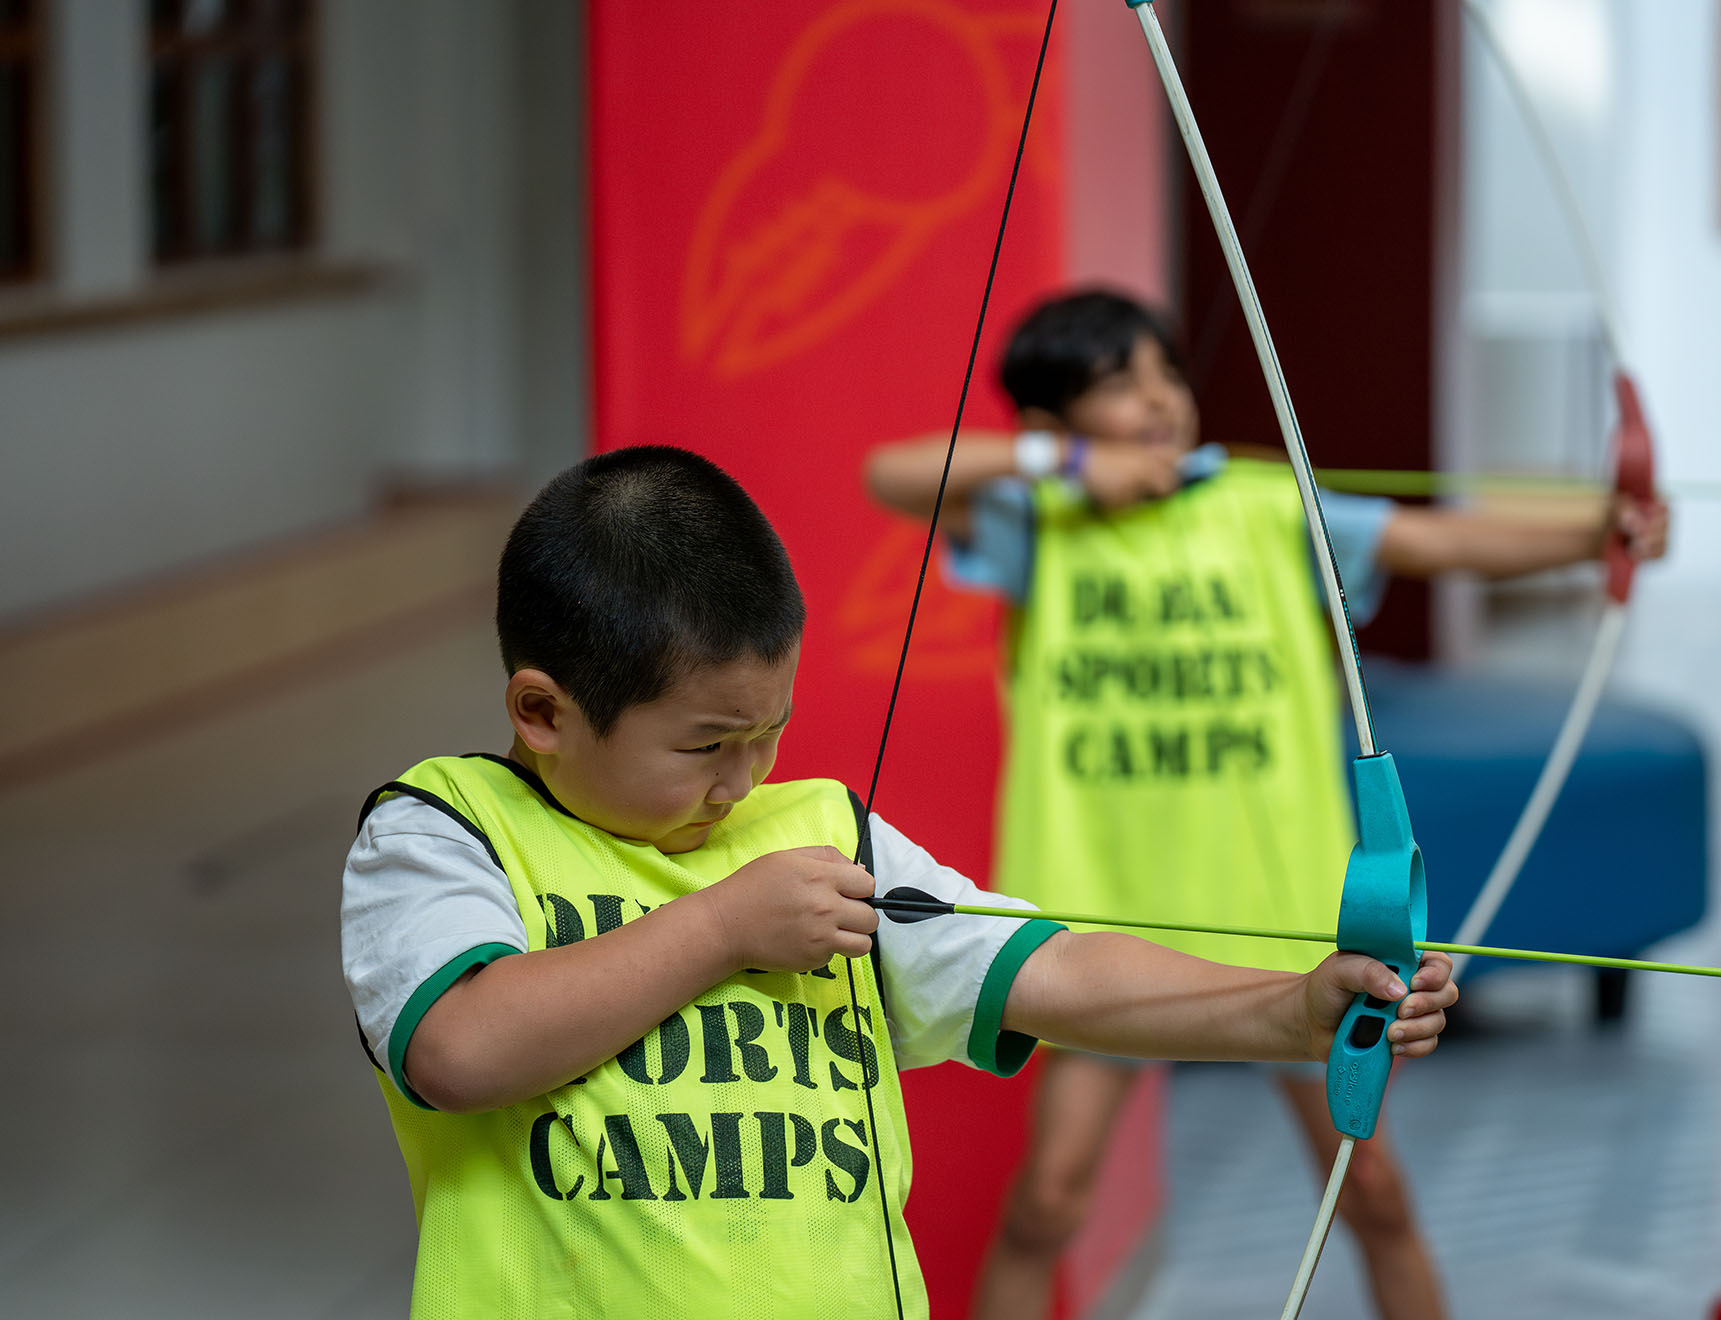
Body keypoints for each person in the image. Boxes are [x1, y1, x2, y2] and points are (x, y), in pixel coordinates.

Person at [339, 443, 1458, 1320]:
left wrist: (1288, 1010)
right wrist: (724, 926)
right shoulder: (447, 832)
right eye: (704, 744)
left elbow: (1053, 971)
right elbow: (460, 1049)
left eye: (769, 732)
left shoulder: (822, 837)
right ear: (543, 712)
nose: (744, 777)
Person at [863, 289, 1667, 1320]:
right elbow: (891, 475)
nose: (1160, 398)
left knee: (1371, 1191)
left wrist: (1600, 532)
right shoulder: (1039, 522)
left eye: (1166, 372)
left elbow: (1438, 543)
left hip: (1287, 920)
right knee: (1048, 1203)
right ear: (1054, 421)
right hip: (1104, 922)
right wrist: (1063, 466)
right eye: (1119, 384)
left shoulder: (1267, 503)